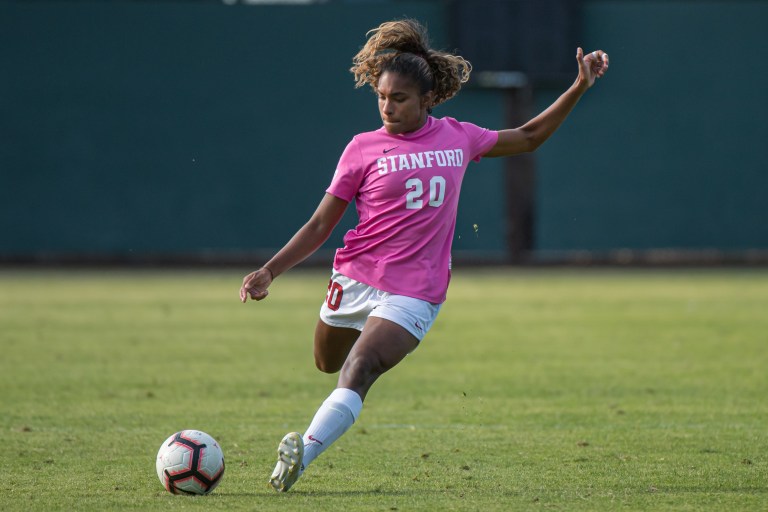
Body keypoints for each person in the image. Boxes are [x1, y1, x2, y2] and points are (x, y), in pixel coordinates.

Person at [239, 19, 609, 492]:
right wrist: (271, 270)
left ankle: (301, 455)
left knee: (359, 369)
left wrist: (579, 86)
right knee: (327, 363)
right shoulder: (362, 148)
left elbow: (530, 135)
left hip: (415, 289)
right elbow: (319, 225)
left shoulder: (459, 137)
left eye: (399, 98)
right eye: (382, 96)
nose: (387, 107)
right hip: (354, 278)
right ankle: (351, 363)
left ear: (426, 100)